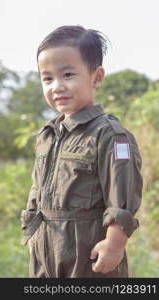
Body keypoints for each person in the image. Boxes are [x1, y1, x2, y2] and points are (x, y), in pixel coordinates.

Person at [21, 25, 143, 278]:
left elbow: (121, 193)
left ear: (96, 77)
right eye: (47, 78)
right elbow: (37, 188)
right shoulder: (47, 135)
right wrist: (32, 232)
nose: (57, 86)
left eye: (67, 75)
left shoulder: (109, 135)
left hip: (87, 251)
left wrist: (115, 243)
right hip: (47, 250)